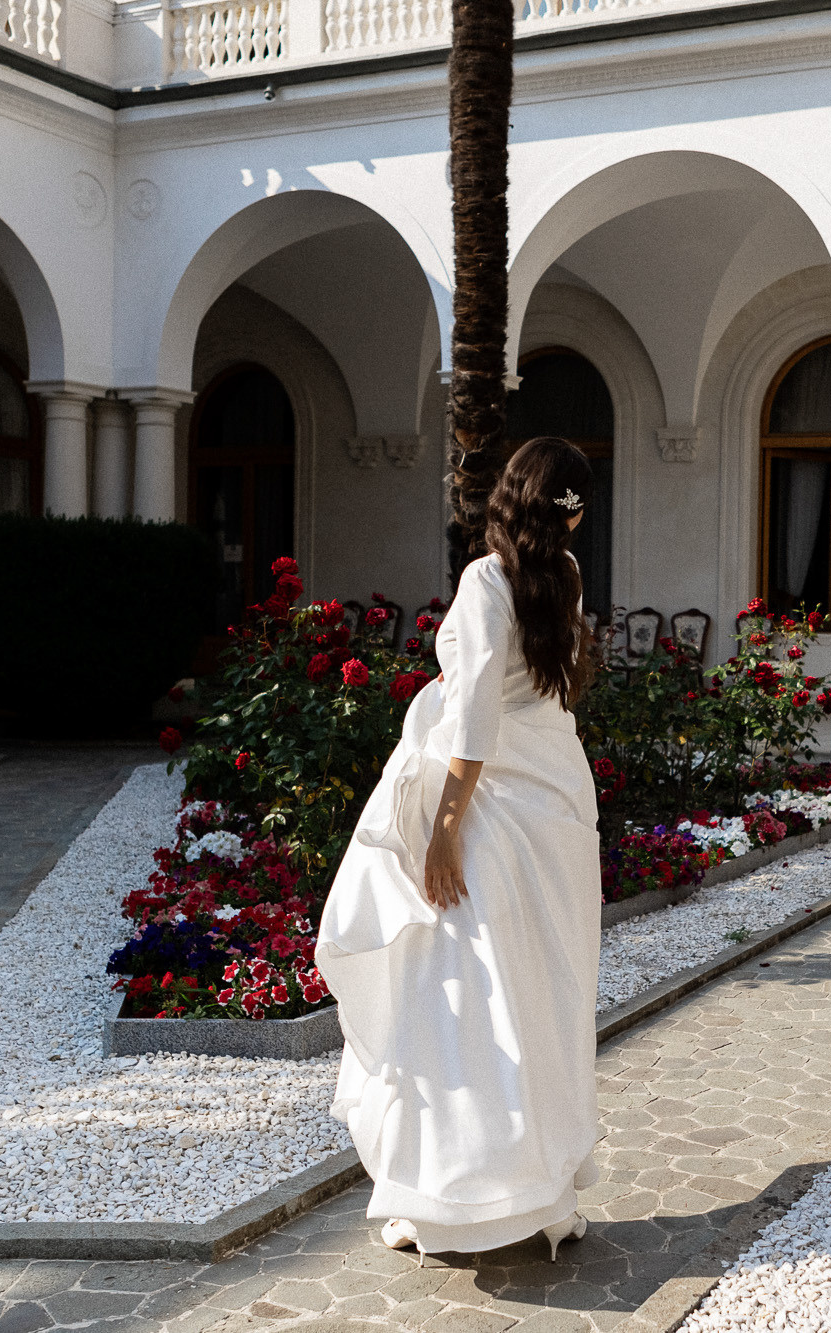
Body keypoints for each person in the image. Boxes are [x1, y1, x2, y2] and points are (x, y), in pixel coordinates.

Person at [316, 436, 600, 1262]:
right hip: (554, 804)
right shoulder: (563, 577)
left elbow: (473, 716)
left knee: (463, 1000)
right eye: (577, 505)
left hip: (494, 812)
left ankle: (455, 1200)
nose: (582, 520)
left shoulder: (488, 580)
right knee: (541, 996)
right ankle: (540, 1192)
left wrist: (443, 832)